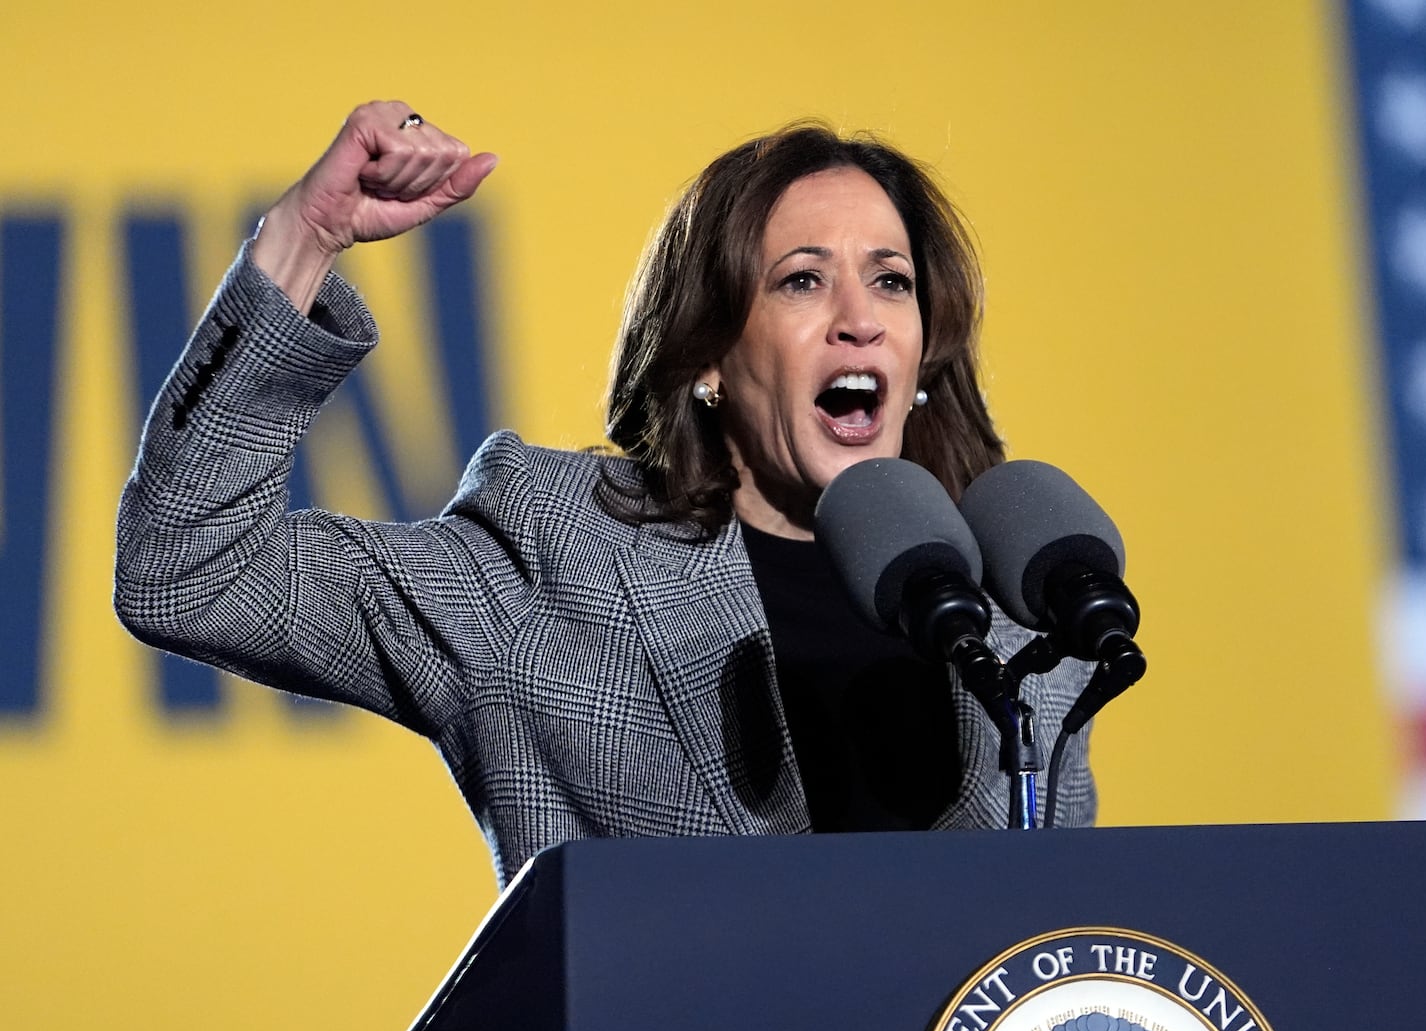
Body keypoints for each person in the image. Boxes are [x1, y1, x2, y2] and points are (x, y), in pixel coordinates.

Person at [114, 101, 1096, 888]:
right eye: (802, 281)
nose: (860, 322)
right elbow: (192, 570)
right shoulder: (552, 555)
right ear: (709, 353)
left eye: (890, 283)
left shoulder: (1013, 628)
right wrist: (302, 239)